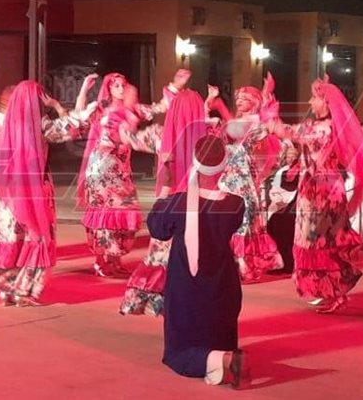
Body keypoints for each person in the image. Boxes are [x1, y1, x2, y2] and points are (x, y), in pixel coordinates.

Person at [268, 78, 363, 314]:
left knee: (323, 241)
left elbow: (293, 133)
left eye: (314, 97)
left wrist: (274, 121)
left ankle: (335, 291)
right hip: (313, 189)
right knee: (316, 240)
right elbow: (295, 137)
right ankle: (327, 290)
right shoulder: (318, 126)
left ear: (326, 101)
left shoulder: (327, 128)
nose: (310, 102)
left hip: (323, 191)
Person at [0, 81, 86, 306]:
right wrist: (57, 105)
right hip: (36, 191)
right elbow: (74, 129)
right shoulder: (40, 124)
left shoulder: (6, 126)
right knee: (40, 237)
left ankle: (6, 288)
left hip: (12, 193)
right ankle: (24, 291)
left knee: (14, 238)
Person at [150, 134, 247, 388]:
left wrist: (166, 188)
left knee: (177, 355)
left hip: (188, 290)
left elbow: (157, 228)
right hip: (223, 288)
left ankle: (224, 360)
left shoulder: (178, 203)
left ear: (195, 162)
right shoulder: (236, 204)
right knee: (219, 336)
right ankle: (221, 355)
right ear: (223, 165)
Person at [76, 72, 179, 277]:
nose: (121, 89)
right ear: (109, 88)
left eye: (123, 85)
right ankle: (101, 261)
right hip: (101, 170)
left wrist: (175, 85)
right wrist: (84, 89)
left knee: (124, 210)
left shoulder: (132, 109)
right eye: (116, 85)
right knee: (104, 215)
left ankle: (115, 260)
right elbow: (79, 116)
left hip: (121, 169)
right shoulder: (100, 109)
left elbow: (160, 107)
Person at [120, 89, 211, 316]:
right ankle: (194, 306)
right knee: (195, 256)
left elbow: (129, 138)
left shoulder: (160, 134)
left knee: (161, 252)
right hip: (200, 206)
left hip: (170, 203)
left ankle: (156, 300)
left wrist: (125, 120)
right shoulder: (210, 135)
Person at [208, 73, 283, 281]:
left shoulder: (254, 122)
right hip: (229, 177)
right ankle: (232, 260)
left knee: (245, 217)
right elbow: (225, 132)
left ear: (254, 102)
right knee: (230, 217)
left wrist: (220, 106)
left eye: (244, 98)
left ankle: (243, 261)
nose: (239, 101)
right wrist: (214, 105)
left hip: (244, 178)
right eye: (238, 98)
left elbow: (235, 130)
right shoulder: (239, 122)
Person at [265, 141, 301, 273]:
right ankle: (288, 261)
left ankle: (291, 262)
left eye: (294, 155)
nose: (291, 158)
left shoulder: (301, 166)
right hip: (290, 201)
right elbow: (281, 187)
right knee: (275, 221)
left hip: (302, 201)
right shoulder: (287, 170)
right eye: (289, 155)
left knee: (281, 222)